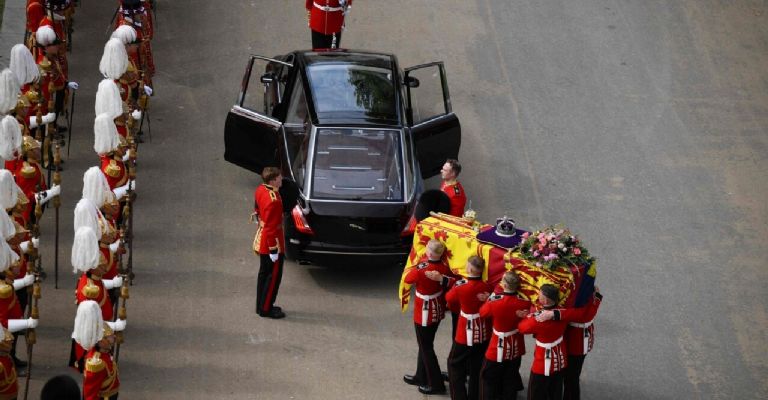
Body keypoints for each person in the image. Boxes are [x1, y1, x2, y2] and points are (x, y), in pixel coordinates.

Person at [402, 240, 452, 395]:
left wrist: (417, 264)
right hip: (436, 308)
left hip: (424, 311)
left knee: (426, 348)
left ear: (430, 252)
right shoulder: (444, 266)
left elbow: (408, 278)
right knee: (425, 345)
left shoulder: (422, 268)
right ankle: (421, 375)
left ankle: (435, 383)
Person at [536, 287, 603, 400]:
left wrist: (554, 314)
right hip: (566, 340)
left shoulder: (586, 306)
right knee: (559, 374)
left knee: (571, 378)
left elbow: (579, 314)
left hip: (577, 343)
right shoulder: (592, 296)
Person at [444, 256, 492, 400]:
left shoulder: (460, 286)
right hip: (482, 330)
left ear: (470, 269)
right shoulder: (487, 287)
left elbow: (449, 299)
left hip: (465, 331)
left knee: (454, 363)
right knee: (477, 365)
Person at [478, 271, 530, 400]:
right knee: (510, 377)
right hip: (515, 344)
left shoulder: (495, 302)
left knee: (487, 377)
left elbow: (483, 313)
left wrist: (489, 299)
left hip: (497, 345)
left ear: (504, 285)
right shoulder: (524, 302)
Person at [518, 284, 569, 400]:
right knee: (555, 391)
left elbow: (522, 328)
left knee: (535, 392)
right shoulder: (563, 312)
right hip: (560, 358)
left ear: (545, 300)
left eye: (539, 295)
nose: (537, 297)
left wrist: (529, 316)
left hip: (543, 361)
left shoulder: (538, 319)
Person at [253, 167, 286, 319]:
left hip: (264, 237)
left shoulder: (261, 189)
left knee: (263, 274)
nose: (281, 179)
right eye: (279, 178)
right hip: (272, 242)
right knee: (272, 278)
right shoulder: (274, 200)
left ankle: (260, 305)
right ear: (273, 180)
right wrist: (274, 250)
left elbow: (257, 206)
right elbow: (272, 229)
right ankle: (266, 308)